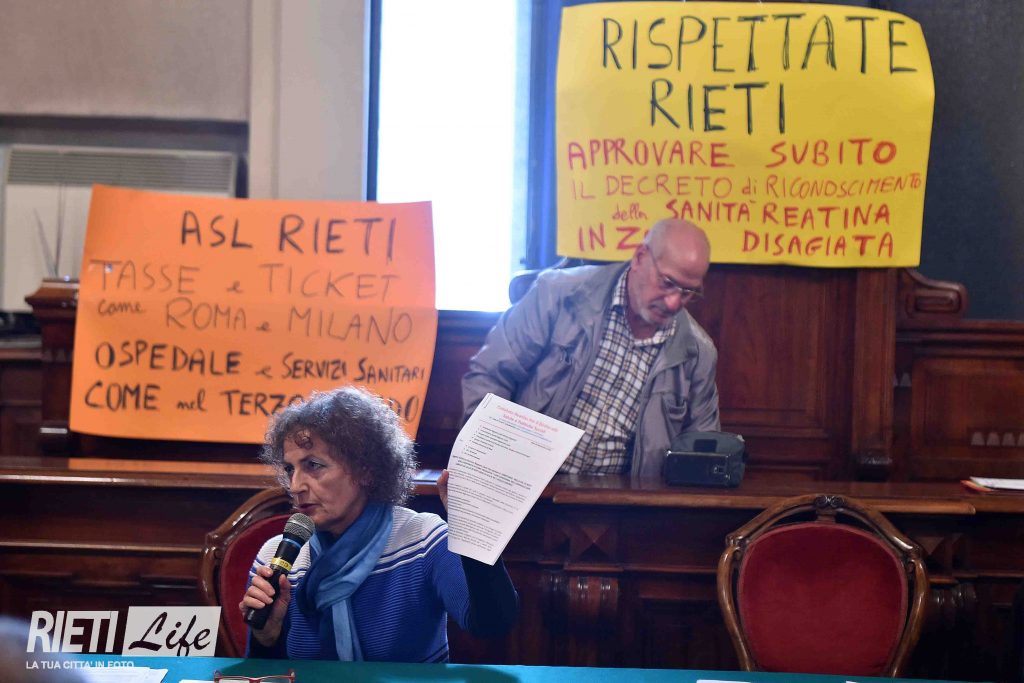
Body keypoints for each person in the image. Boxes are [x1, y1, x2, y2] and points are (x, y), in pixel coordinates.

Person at [240, 387, 518, 662]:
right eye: (290, 469)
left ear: (366, 470)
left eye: (313, 465)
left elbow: (493, 624)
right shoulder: (277, 556)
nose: (295, 485)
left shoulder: (422, 539)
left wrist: (473, 528)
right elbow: (264, 674)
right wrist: (267, 638)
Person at [462, 218, 719, 478]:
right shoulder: (557, 295)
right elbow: (489, 376)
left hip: (621, 498)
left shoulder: (698, 353)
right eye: (667, 282)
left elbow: (702, 455)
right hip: (527, 483)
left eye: (688, 292)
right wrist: (492, 467)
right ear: (640, 257)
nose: (674, 302)